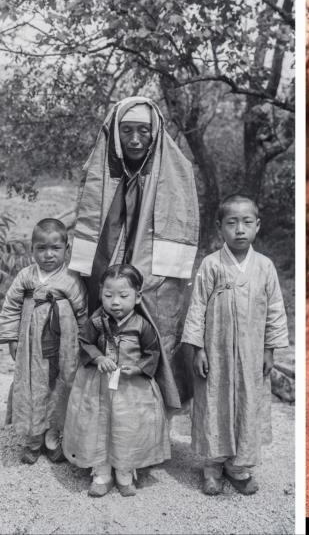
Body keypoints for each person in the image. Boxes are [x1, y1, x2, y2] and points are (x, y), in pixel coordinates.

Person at [69, 96, 198, 405]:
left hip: (154, 272)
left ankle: (154, 420)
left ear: (155, 131)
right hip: (107, 267)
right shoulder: (101, 168)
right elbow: (85, 212)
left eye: (143, 130)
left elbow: (183, 219)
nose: (135, 139)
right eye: (127, 131)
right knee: (100, 331)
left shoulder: (176, 169)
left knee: (153, 339)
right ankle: (93, 416)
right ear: (115, 133)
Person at [181, 194, 288, 496]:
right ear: (220, 228)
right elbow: (197, 306)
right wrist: (198, 348)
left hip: (252, 353)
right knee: (214, 402)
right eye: (232, 223)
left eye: (247, 222)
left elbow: (276, 309)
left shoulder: (265, 267)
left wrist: (270, 349)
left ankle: (238, 466)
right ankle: (212, 466)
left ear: (257, 226)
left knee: (247, 403)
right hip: (216, 352)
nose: (240, 229)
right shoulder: (211, 264)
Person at [63, 264, 171, 497]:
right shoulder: (96, 322)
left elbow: (153, 352)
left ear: (138, 296)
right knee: (98, 424)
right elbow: (84, 342)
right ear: (101, 292)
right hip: (98, 385)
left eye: (123, 296)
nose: (115, 302)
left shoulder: (142, 325)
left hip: (131, 389)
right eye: (108, 295)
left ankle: (125, 469)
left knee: (127, 427)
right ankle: (101, 471)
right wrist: (98, 357)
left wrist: (139, 368)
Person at [0, 218, 87, 463]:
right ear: (32, 249)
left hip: (64, 344)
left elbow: (81, 311)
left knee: (59, 384)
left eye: (55, 248)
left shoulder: (71, 278)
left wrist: (82, 342)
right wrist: (11, 338)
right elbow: (10, 307)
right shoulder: (26, 276)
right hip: (32, 344)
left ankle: (53, 436)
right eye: (41, 248)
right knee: (33, 384)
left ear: (66, 249)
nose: (48, 255)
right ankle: (33, 439)